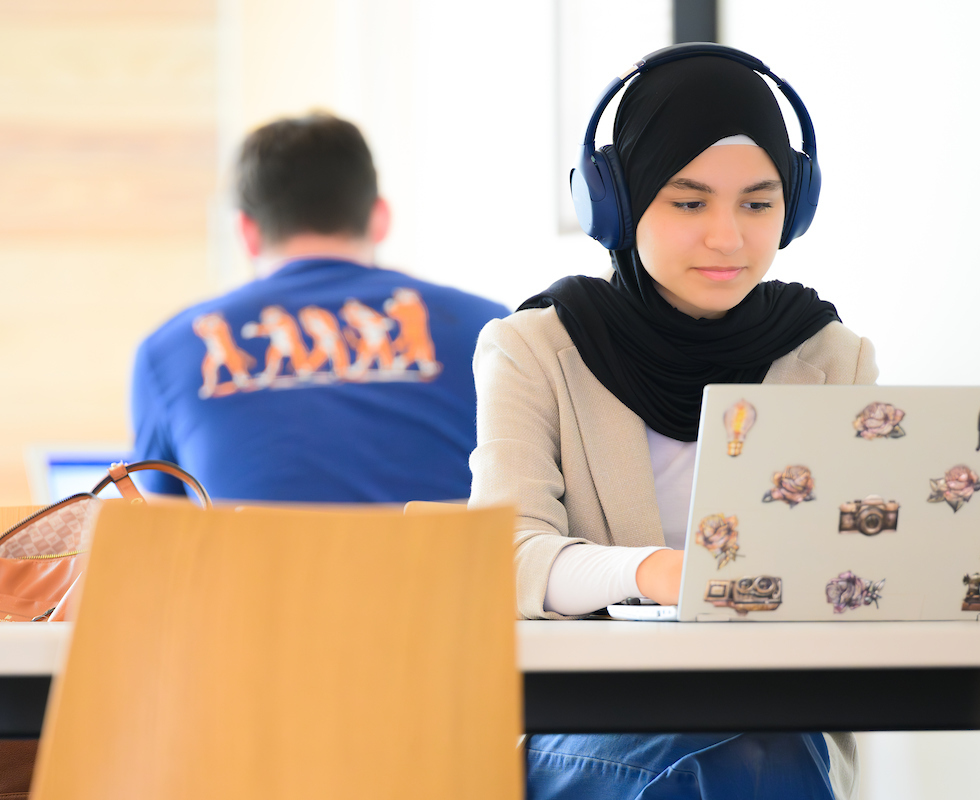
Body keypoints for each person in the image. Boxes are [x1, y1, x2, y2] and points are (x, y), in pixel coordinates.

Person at [469, 47, 875, 799]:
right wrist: (655, 574)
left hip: (777, 712)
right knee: (746, 759)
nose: (728, 237)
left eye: (758, 204)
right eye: (689, 203)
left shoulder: (831, 356)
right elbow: (504, 557)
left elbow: (855, 567)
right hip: (586, 719)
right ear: (617, 206)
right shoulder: (534, 349)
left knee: (756, 746)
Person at [131, 113, 508, 502]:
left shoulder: (168, 351)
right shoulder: (492, 331)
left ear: (246, 231)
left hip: (256, 566)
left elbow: (167, 540)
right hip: (447, 565)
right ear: (380, 218)